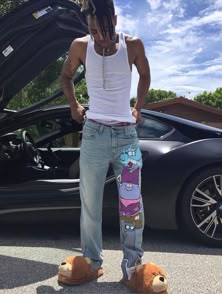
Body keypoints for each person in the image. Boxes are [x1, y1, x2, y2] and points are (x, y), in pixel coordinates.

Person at [59, 0, 151, 287]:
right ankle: (91, 262)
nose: (100, 37)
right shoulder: (80, 46)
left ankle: (133, 268)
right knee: (90, 203)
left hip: (127, 137)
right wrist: (74, 105)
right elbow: (65, 75)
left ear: (115, 17)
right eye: (93, 31)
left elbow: (145, 75)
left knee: (131, 205)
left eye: (104, 30)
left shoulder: (133, 45)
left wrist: (138, 106)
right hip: (94, 135)